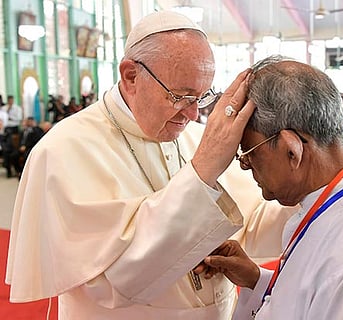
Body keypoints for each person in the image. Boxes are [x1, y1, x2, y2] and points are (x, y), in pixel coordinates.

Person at [6, 11, 295, 319]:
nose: (193, 114)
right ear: (131, 76)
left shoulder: (197, 137)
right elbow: (113, 281)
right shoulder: (64, 150)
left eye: (202, 96)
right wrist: (203, 171)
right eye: (181, 96)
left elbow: (254, 222)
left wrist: (305, 186)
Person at [203, 56, 343, 319]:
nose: (245, 165)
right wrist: (257, 279)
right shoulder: (340, 197)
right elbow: (310, 298)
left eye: (249, 152)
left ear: (291, 150)